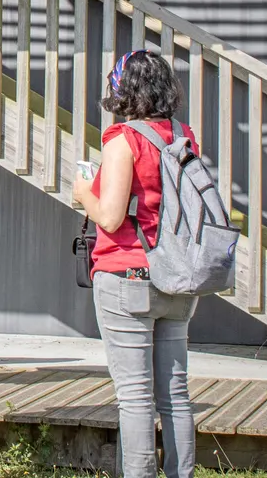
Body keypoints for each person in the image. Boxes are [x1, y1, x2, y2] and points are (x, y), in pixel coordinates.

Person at [70, 50, 199, 478]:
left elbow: (109, 216)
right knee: (175, 395)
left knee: (135, 397)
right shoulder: (183, 135)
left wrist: (83, 191)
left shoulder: (123, 138)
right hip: (177, 275)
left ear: (123, 90)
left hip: (128, 273)